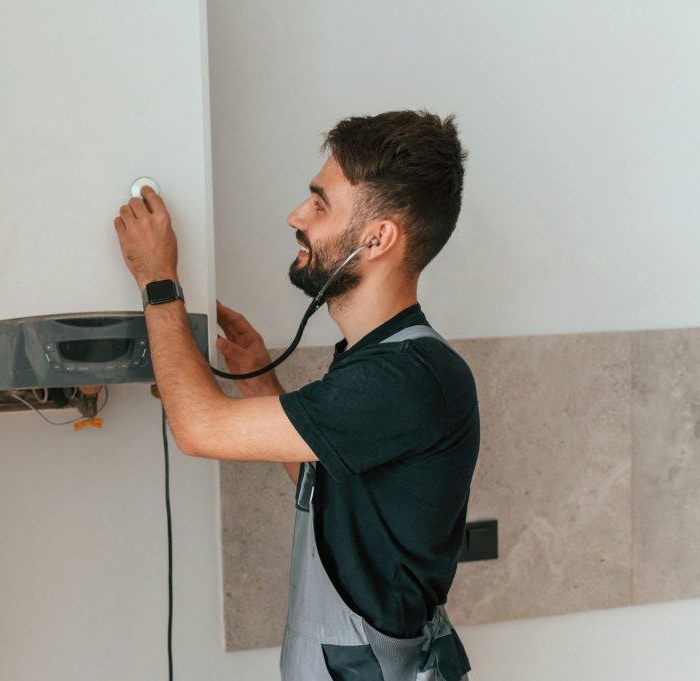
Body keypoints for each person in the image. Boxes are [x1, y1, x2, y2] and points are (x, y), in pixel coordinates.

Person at [113, 110, 479, 681]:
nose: (296, 216)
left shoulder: (404, 378)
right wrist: (261, 380)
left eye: (320, 203)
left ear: (377, 238)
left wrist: (157, 281)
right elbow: (331, 489)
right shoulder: (376, 362)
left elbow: (197, 428)